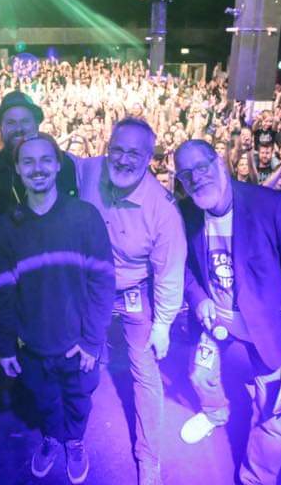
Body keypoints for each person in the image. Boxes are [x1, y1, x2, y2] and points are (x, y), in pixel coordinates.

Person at [172, 139, 281, 485]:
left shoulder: (272, 206)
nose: (196, 178)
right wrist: (198, 298)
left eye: (201, 167)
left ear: (220, 163)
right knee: (200, 375)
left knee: (272, 415)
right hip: (215, 319)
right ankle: (215, 413)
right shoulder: (186, 212)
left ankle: (256, 479)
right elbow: (180, 265)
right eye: (186, 174)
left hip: (270, 327)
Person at [0, 133, 115, 485]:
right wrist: (5, 345)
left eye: (45, 159)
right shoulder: (6, 226)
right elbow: (0, 291)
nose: (37, 168)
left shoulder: (84, 216)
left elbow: (103, 281)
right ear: (17, 169)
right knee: (43, 399)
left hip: (78, 343)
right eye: (28, 161)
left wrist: (91, 340)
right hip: (32, 344)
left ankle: (74, 441)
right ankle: (51, 437)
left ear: (59, 165)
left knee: (79, 399)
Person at [74, 118, 185, 485]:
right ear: (106, 148)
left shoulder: (163, 210)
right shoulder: (88, 170)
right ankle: (68, 437)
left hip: (133, 291)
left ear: (149, 158)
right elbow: (46, 158)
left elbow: (169, 271)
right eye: (117, 150)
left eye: (134, 153)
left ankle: (149, 459)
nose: (123, 159)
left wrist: (163, 324)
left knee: (146, 373)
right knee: (76, 361)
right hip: (90, 290)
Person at [0, 91, 78, 213]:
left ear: (36, 124)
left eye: (25, 121)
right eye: (11, 123)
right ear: (0, 127)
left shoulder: (61, 163)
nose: (19, 128)